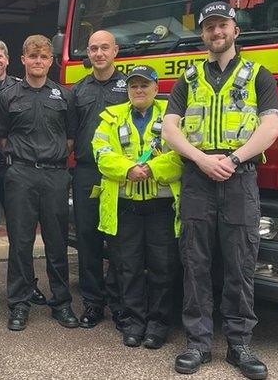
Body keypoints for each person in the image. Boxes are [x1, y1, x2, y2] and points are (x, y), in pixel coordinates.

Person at [163, 2, 278, 380]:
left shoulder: (258, 75)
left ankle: (239, 344)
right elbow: (169, 129)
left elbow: (271, 128)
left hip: (240, 178)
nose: (217, 32)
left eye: (223, 25)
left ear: (235, 30)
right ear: (202, 35)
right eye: (210, 27)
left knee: (240, 264)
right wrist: (201, 159)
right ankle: (197, 343)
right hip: (197, 179)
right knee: (195, 263)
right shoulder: (189, 78)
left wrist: (231, 159)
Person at [0, 34, 78, 331]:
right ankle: (19, 303)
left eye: (43, 57)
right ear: (23, 59)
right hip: (20, 175)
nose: (38, 62)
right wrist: (25, 160)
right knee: (20, 241)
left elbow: (70, 139)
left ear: (51, 61)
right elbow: (1, 137)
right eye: (33, 56)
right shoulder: (9, 96)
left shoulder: (64, 96)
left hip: (55, 174)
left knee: (56, 241)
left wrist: (51, 159)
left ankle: (61, 302)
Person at [93, 65, 182, 349]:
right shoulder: (111, 117)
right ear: (127, 90)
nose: (139, 90)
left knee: (162, 268)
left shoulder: (172, 115)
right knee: (127, 267)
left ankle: (157, 325)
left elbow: (183, 154)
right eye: (134, 86)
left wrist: (153, 168)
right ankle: (134, 323)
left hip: (161, 206)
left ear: (156, 88)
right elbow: (101, 153)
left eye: (145, 85)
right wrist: (129, 168)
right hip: (125, 207)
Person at [0, 39, 47, 305]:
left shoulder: (22, 86)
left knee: (21, 230)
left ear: (8, 60)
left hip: (17, 168)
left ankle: (28, 285)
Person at [70, 30, 128, 328]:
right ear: (88, 53)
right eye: (93, 49)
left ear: (115, 51)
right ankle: (93, 303)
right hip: (87, 171)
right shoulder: (78, 90)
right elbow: (70, 135)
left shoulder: (129, 88)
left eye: (105, 48)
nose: (99, 54)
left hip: (121, 174)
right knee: (88, 238)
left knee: (119, 241)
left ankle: (119, 303)